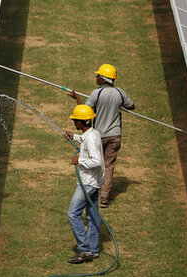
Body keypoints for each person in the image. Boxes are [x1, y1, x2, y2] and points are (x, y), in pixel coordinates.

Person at [68, 64, 135, 208]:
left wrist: (77, 98)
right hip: (115, 135)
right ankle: (104, 196)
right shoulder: (119, 93)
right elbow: (132, 106)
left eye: (98, 75)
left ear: (104, 79)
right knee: (108, 165)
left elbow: (85, 112)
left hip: (99, 135)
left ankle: (94, 189)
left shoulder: (96, 93)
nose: (96, 77)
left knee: (96, 162)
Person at [64, 104, 105, 264]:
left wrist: (79, 160)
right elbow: (85, 140)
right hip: (94, 182)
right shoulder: (92, 133)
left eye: (75, 120)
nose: (74, 122)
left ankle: (85, 249)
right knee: (92, 215)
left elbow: (97, 160)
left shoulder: (92, 138)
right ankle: (93, 250)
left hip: (87, 183)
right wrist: (73, 136)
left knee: (72, 214)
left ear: (81, 122)